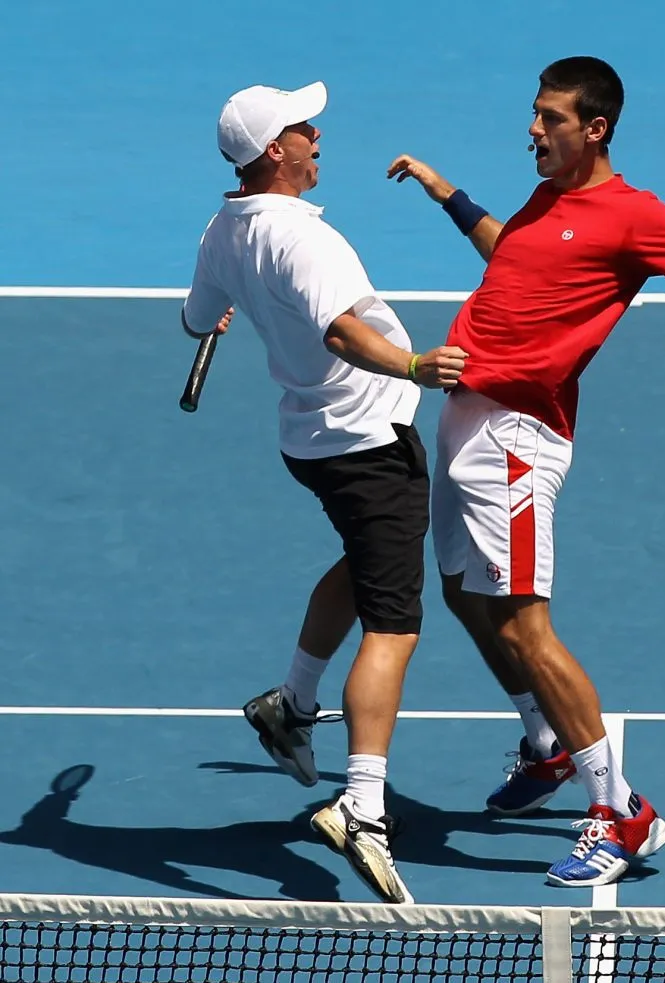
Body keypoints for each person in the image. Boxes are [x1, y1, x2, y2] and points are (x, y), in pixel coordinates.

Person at [387, 55, 665, 887]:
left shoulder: (632, 217)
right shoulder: (548, 198)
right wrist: (446, 192)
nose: (532, 128)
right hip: (463, 419)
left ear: (593, 128)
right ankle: (547, 745)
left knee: (524, 622)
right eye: (534, 112)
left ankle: (622, 813)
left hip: (519, 439)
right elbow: (513, 254)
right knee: (461, 592)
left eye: (549, 118)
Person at [181, 81, 468, 903]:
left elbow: (197, 319)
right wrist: (416, 366)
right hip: (367, 442)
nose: (316, 137)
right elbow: (341, 331)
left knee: (368, 559)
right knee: (395, 628)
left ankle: (291, 704)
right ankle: (363, 807)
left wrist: (234, 307)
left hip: (310, 443)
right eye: (304, 129)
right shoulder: (309, 243)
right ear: (276, 150)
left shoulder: (221, 232)